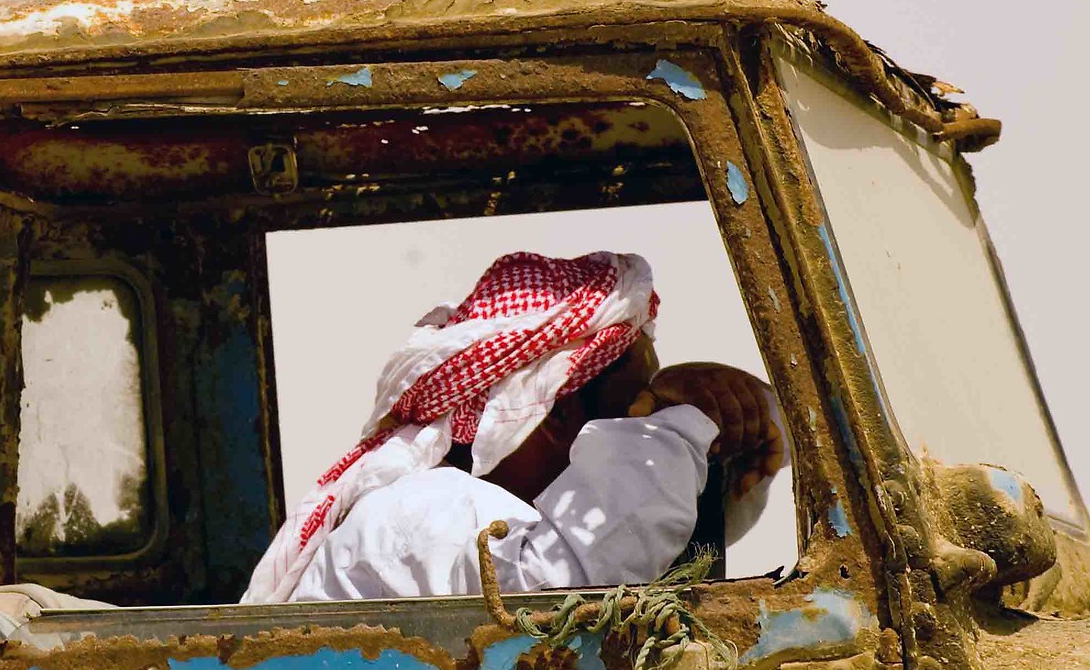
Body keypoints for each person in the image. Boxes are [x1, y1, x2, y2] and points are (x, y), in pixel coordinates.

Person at [242, 250, 781, 604]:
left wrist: (738, 419)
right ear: (557, 410)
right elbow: (568, 593)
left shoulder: (492, 521)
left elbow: (644, 540)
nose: (646, 431)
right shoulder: (422, 512)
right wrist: (679, 427)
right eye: (635, 413)